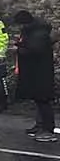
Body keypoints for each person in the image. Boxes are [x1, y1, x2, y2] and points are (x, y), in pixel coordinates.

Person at [11, 10, 55, 140]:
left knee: (43, 100)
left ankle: (48, 129)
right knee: (38, 100)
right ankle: (40, 125)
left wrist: (18, 48)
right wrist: (19, 44)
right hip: (34, 72)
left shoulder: (39, 33)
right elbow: (30, 46)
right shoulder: (32, 30)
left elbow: (35, 50)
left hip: (41, 72)